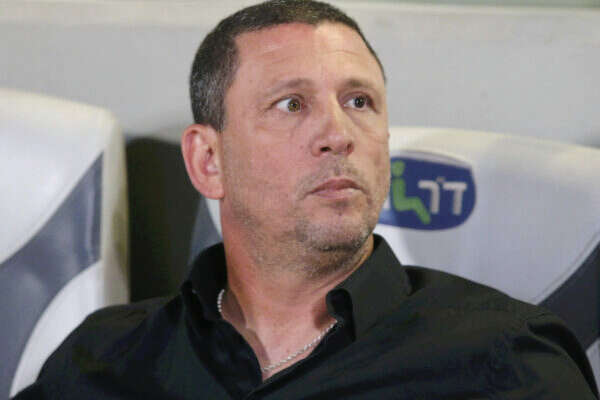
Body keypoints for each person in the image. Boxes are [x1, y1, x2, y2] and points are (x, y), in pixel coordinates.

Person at [14, 0, 598, 398]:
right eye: (292, 104)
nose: (338, 134)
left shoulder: (504, 361)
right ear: (208, 160)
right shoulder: (104, 359)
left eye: (359, 102)